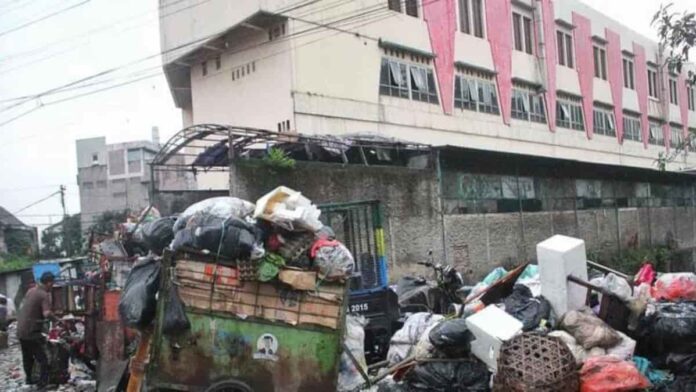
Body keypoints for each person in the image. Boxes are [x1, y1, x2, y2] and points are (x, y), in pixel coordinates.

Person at [16, 272, 57, 387]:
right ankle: (43, 384)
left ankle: (29, 379)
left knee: (27, 357)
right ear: (49, 283)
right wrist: (57, 320)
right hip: (31, 332)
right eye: (52, 283)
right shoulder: (43, 294)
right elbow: (46, 313)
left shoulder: (31, 291)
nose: (53, 286)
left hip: (21, 330)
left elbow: (30, 309)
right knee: (43, 358)